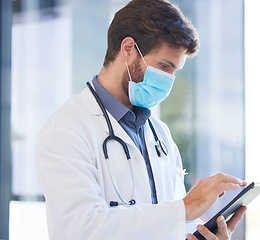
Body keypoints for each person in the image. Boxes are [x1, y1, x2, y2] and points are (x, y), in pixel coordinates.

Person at [35, 0, 247, 239]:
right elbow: (80, 228)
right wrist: (185, 208)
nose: (168, 80)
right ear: (128, 49)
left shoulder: (160, 133)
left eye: (174, 71)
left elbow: (170, 220)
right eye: (164, 66)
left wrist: (199, 233)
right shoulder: (67, 129)